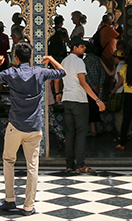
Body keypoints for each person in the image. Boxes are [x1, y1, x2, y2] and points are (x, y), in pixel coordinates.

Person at [0, 44, 66, 216]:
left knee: (8, 161)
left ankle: (10, 199)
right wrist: (50, 59)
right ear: (30, 57)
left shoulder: (11, 74)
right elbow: (62, 72)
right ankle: (28, 206)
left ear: (16, 58)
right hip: (34, 127)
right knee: (32, 166)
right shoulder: (39, 72)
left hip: (15, 125)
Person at [57, 36, 106, 173]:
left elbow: (58, 78)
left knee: (70, 133)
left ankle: (69, 164)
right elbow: (83, 83)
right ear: (75, 47)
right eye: (82, 46)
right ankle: (80, 164)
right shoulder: (78, 62)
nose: (84, 48)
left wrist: (58, 93)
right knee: (81, 133)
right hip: (79, 100)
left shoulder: (64, 61)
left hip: (67, 99)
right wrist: (97, 100)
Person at [114, 48, 132, 152]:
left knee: (126, 120)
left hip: (127, 96)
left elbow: (121, 82)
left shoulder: (124, 68)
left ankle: (122, 143)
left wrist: (113, 90)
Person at [84, 45, 105, 137]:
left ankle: (93, 130)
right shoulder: (98, 59)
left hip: (90, 88)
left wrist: (92, 85)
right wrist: (100, 84)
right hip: (98, 88)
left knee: (91, 108)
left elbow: (86, 75)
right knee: (97, 107)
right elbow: (102, 72)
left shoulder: (85, 61)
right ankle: (99, 128)